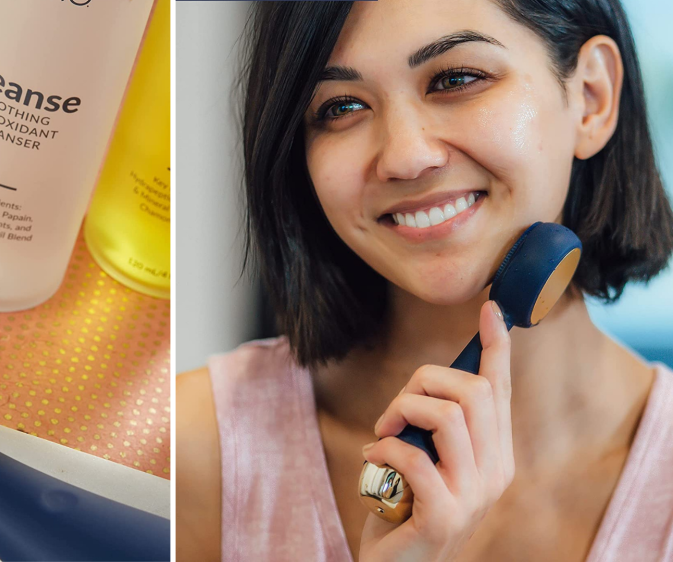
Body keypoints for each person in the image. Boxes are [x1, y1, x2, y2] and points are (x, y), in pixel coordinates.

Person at [176, 1, 673, 561]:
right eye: (340, 107)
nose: (406, 156)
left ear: (591, 98)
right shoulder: (199, 452)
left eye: (456, 79)